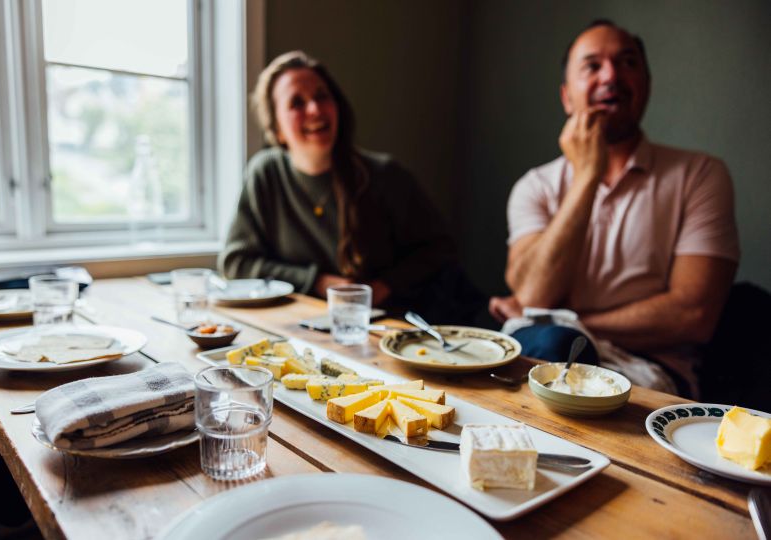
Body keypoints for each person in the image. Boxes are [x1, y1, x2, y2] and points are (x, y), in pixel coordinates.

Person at [489, 20, 741, 398]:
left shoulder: (700, 175)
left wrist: (572, 321)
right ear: (566, 97)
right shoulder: (534, 186)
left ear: (647, 86)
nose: (611, 75)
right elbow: (533, 294)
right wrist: (587, 176)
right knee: (552, 347)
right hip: (546, 358)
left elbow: (694, 315)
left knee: (557, 340)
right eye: (592, 66)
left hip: (650, 374)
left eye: (627, 63)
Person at [219, 51, 484, 324]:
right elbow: (236, 263)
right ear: (277, 130)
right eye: (297, 102)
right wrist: (318, 282)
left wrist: (384, 285)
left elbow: (440, 248)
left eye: (322, 96)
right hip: (304, 323)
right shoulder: (265, 173)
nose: (315, 109)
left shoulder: (385, 175)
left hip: (390, 326)